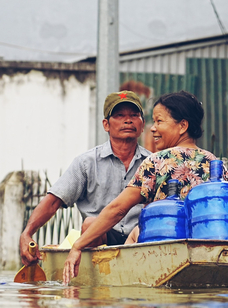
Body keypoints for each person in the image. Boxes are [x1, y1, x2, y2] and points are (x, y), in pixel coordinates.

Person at [62, 91, 228, 284]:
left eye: (159, 121)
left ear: (182, 126)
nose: (152, 129)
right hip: (207, 254)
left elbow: (118, 209)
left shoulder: (157, 162)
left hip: (162, 255)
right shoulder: (214, 163)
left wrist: (77, 246)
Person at [18, 90, 152, 266]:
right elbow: (53, 201)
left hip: (140, 238)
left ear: (142, 125)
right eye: (119, 116)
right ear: (106, 124)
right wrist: (27, 233)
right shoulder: (86, 163)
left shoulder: (153, 163)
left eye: (134, 115)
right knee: (90, 223)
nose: (128, 120)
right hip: (98, 239)